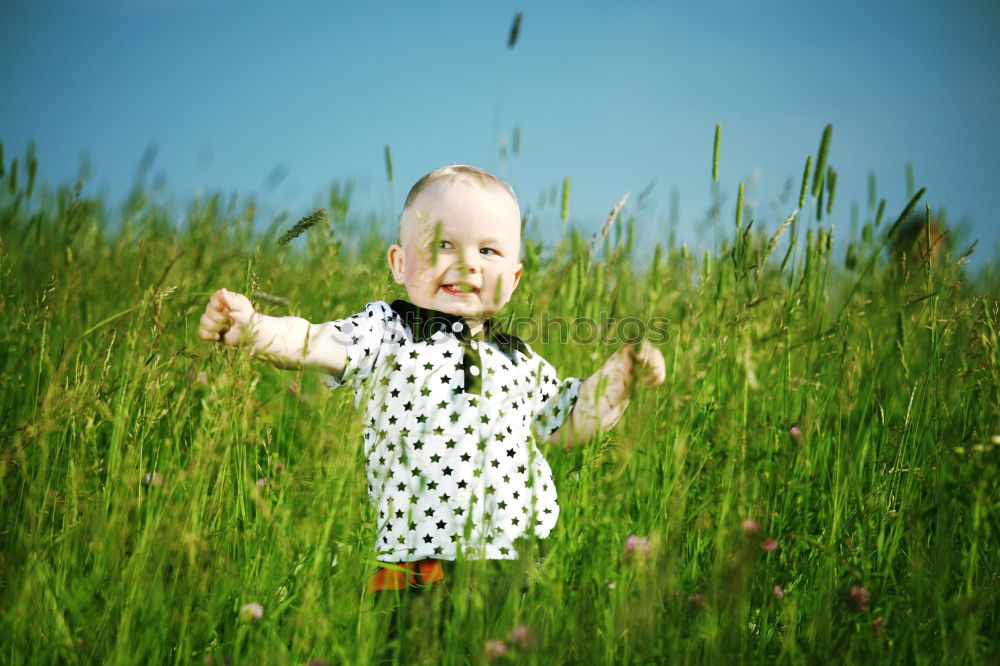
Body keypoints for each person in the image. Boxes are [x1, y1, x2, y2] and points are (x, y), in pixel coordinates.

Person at [196, 165, 665, 635]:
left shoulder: (520, 361)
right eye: (443, 244)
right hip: (417, 567)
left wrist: (621, 374)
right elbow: (315, 341)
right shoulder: (387, 333)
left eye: (487, 250)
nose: (466, 263)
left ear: (514, 277)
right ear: (400, 263)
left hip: (513, 566)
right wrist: (255, 329)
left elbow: (573, 422)